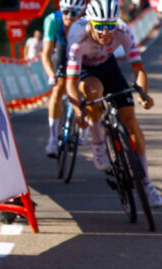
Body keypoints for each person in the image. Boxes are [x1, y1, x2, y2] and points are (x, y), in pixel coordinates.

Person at [65, 0, 162, 206]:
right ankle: (98, 140)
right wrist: (77, 109)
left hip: (108, 66)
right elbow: (71, 83)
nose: (106, 32)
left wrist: (143, 94)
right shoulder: (77, 37)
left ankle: (146, 183)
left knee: (131, 120)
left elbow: (138, 67)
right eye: (100, 26)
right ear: (89, 23)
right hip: (85, 70)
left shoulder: (124, 32)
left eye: (111, 25)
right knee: (95, 91)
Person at [41, 0, 86, 158]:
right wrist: (51, 75)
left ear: (81, 13)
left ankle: (83, 126)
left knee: (85, 85)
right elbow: (46, 53)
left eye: (74, 13)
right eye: (65, 11)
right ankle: (53, 139)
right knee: (58, 88)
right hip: (62, 48)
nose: (69, 16)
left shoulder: (87, 20)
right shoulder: (53, 20)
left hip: (82, 49)